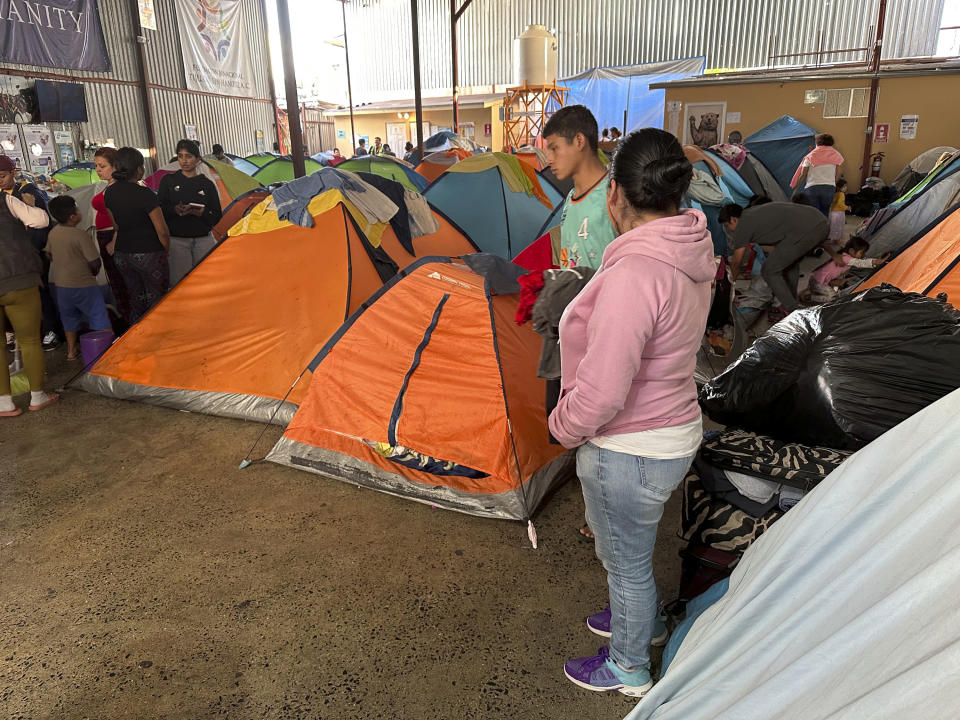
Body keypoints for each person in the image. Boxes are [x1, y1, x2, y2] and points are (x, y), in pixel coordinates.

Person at [551, 128, 714, 697]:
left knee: (626, 562)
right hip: (672, 427)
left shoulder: (635, 274)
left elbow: (601, 394)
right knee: (631, 554)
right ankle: (633, 616)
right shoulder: (690, 249)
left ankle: (628, 667)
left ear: (614, 193)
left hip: (632, 445)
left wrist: (562, 428)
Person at [543, 104, 620, 540]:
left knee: (607, 417)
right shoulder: (570, 202)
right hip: (577, 327)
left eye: (554, 148)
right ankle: (596, 504)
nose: (548, 158)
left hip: (609, 326)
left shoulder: (616, 195)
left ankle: (604, 514)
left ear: (580, 141)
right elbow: (567, 259)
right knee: (581, 414)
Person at [0, 188, 58, 416]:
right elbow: (41, 220)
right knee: (31, 340)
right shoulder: (6, 200)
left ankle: (4, 403)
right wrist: (29, 204)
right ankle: (37, 396)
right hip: (18, 278)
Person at [720, 201, 837, 312]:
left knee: (769, 270)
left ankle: (792, 309)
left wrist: (730, 285)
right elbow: (776, 249)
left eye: (727, 225)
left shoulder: (742, 226)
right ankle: (791, 300)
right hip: (820, 221)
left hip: (806, 231)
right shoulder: (752, 214)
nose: (729, 229)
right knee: (788, 264)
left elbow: (736, 262)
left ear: (733, 220)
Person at [103, 147, 171, 324]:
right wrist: (165, 250)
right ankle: (157, 339)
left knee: (135, 298)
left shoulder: (109, 193)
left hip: (123, 255)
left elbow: (116, 225)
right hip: (149, 254)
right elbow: (162, 230)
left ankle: (136, 339)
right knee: (157, 301)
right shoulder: (145, 194)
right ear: (139, 169)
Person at [0, 155, 60, 350]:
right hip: (9, 260)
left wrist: (32, 249)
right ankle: (17, 333)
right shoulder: (2, 195)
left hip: (31, 255)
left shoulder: (27, 191)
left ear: (13, 173)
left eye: (2, 176)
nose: (0, 180)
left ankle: (50, 330)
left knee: (40, 293)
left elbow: (43, 223)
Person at [44, 196, 112, 360]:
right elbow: (94, 262)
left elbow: (48, 254)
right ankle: (109, 352)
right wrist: (92, 273)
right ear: (73, 216)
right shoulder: (80, 235)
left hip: (61, 285)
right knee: (99, 317)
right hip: (84, 284)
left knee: (68, 319)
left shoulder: (53, 233)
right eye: (77, 209)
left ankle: (71, 351)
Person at [158, 139, 222, 286]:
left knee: (207, 280)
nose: (184, 161)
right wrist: (174, 209)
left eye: (188, 156)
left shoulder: (206, 184)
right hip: (177, 240)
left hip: (203, 239)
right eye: (180, 156)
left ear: (198, 159)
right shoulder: (168, 181)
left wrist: (203, 213)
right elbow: (159, 208)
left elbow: (217, 214)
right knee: (180, 283)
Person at [90, 147, 130, 323]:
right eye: (96, 166)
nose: (98, 170)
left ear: (115, 166)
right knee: (114, 280)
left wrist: (115, 239)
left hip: (113, 236)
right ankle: (124, 316)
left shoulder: (119, 188)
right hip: (104, 236)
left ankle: (129, 317)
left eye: (102, 166)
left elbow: (123, 216)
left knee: (122, 280)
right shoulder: (108, 186)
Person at [807, 236, 886, 302]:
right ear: (851, 251)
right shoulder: (846, 259)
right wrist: (877, 262)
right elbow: (861, 263)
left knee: (839, 286)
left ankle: (815, 292)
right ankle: (810, 297)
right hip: (818, 282)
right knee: (834, 298)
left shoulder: (845, 256)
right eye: (862, 253)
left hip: (818, 279)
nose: (863, 255)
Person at [791, 133, 843, 216]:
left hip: (812, 187)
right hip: (829, 187)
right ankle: (824, 228)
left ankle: (814, 228)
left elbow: (803, 174)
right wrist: (833, 183)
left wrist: (796, 188)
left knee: (813, 213)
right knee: (825, 212)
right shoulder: (836, 155)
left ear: (817, 142)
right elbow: (839, 173)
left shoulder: (810, 156)